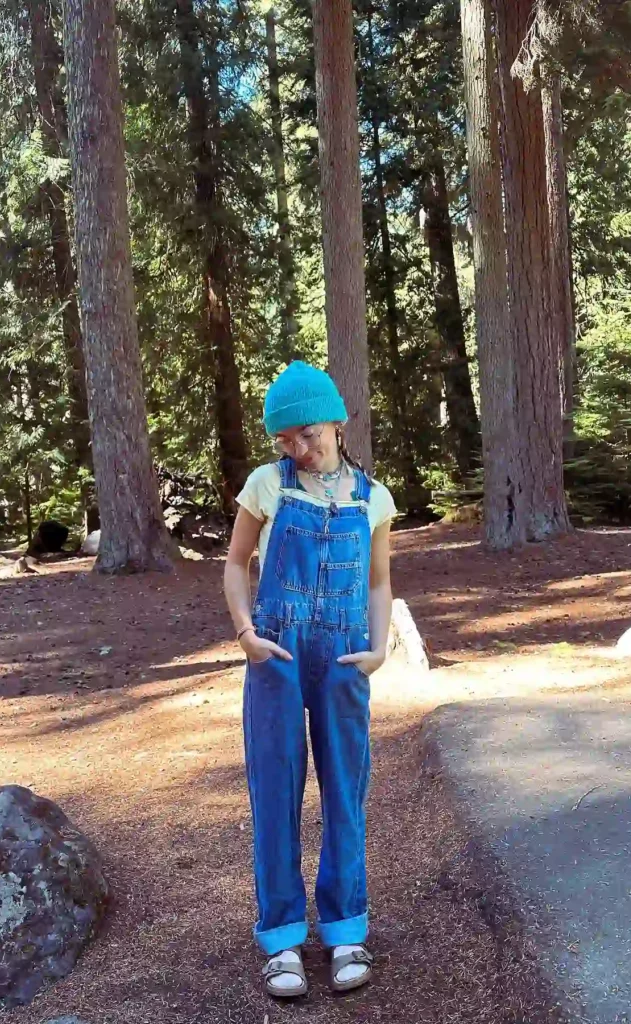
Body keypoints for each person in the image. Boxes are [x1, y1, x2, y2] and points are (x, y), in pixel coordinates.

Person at [224, 361, 395, 997]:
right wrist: (246, 634)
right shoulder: (266, 487)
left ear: (337, 421)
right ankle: (281, 937)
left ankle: (347, 929)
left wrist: (378, 650)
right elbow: (236, 566)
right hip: (277, 655)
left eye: (308, 434)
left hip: (345, 658)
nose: (298, 448)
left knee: (346, 790)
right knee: (274, 790)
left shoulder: (372, 498)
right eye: (287, 439)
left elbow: (378, 582)